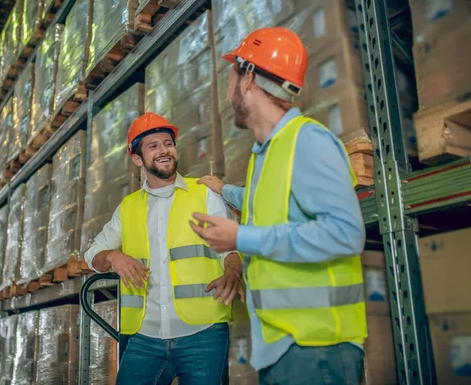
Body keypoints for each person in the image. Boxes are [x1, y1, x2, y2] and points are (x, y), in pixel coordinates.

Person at [190, 27, 368, 385]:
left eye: (231, 77)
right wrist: (225, 190)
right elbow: (266, 204)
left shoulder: (308, 140)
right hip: (282, 346)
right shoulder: (267, 155)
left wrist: (241, 237)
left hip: (316, 346)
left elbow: (346, 233)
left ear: (248, 79)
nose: (228, 92)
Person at [84, 112, 245, 385]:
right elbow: (92, 256)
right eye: (153, 146)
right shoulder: (128, 207)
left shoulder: (203, 192)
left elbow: (231, 246)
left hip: (203, 334)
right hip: (144, 338)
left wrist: (232, 271)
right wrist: (113, 256)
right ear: (138, 159)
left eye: (168, 143)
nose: (164, 150)